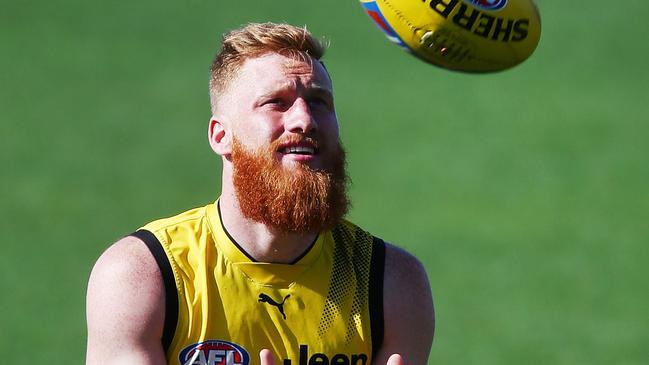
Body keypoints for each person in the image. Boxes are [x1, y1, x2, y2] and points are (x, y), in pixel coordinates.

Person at [86, 22, 434, 365]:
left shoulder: (391, 283)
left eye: (319, 102)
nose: (304, 120)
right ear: (221, 136)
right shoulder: (145, 276)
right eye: (276, 102)